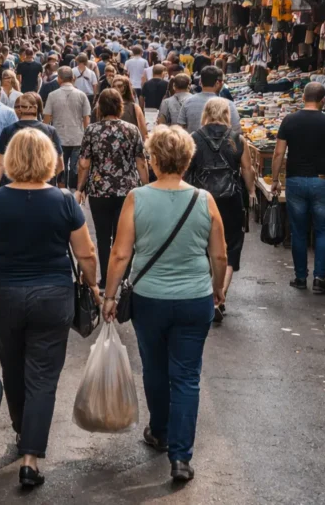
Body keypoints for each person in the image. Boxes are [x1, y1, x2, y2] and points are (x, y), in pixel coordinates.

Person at [0, 129, 99, 488]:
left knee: (12, 365)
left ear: (11, 160)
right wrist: (94, 286)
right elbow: (85, 253)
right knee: (43, 374)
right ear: (49, 159)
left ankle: (23, 430)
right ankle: (31, 457)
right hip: (53, 296)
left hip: (3, 293)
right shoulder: (65, 201)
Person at [101, 126, 226, 484]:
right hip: (194, 299)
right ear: (187, 161)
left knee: (154, 368)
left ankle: (159, 431)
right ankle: (181, 457)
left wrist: (110, 296)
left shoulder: (136, 198)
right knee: (187, 376)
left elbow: (121, 253)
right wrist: (217, 289)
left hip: (150, 299)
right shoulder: (205, 200)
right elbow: (219, 254)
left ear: (153, 161)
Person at [270, 82, 325, 294]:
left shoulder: (289, 120)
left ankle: (299, 277)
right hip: (321, 181)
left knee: (299, 232)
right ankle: (319, 279)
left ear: (303, 97)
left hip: (295, 181)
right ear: (323, 100)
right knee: (322, 230)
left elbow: (278, 153)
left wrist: (275, 179)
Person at [185, 98, 256, 322]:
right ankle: (220, 297)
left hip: (202, 199)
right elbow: (247, 169)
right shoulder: (237, 139)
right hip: (231, 199)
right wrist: (252, 192)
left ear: (206, 113)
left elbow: (186, 170)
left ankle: (208, 294)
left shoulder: (194, 138)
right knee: (231, 247)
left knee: (203, 245)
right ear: (227, 114)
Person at [76, 89, 148, 288]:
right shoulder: (131, 130)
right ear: (119, 106)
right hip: (127, 191)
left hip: (99, 190)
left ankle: (106, 277)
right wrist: (147, 186)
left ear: (100, 107)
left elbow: (84, 163)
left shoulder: (92, 130)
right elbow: (141, 162)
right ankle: (123, 277)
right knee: (124, 236)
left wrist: (80, 188)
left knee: (102, 236)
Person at [0, 92, 63, 188]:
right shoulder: (50, 131)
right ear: (37, 108)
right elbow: (59, 164)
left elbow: (0, 163)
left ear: (20, 109)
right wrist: (61, 187)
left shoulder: (8, 130)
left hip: (14, 186)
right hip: (42, 186)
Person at [43, 66, 92, 190]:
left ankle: (61, 190)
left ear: (59, 78)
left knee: (60, 167)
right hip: (78, 137)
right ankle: (75, 191)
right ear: (73, 78)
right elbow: (86, 119)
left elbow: (46, 119)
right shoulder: (82, 95)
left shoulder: (52, 95)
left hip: (58, 137)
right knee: (76, 168)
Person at [175, 66, 241, 136]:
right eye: (222, 82)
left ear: (200, 81)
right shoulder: (229, 104)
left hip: (194, 145)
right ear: (217, 83)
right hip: (223, 146)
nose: (223, 84)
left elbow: (180, 129)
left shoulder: (187, 102)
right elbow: (237, 131)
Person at [111, 76, 148, 141]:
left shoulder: (134, 107)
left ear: (125, 89)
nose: (116, 89)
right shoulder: (107, 106)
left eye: (119, 86)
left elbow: (144, 132)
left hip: (130, 143)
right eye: (114, 86)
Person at [141, 64, 168, 131]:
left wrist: (141, 109)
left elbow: (141, 97)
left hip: (148, 110)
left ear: (153, 72)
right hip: (162, 111)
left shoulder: (146, 84)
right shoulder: (166, 84)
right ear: (162, 73)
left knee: (149, 130)